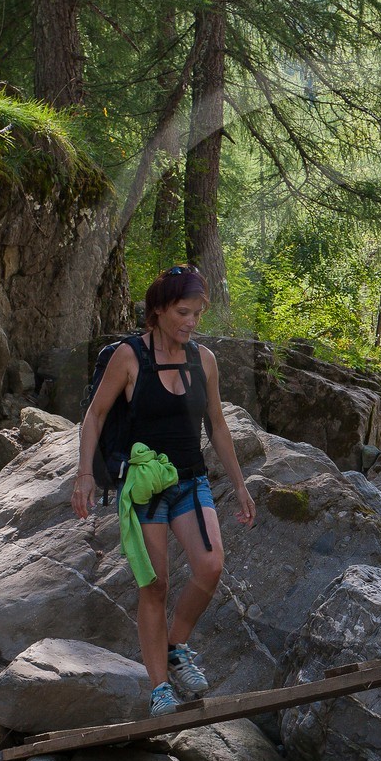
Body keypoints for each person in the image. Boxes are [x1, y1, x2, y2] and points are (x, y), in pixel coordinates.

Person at [72, 265, 256, 715]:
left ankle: (177, 646)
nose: (192, 322)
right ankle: (159, 689)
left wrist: (240, 484)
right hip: (143, 489)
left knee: (210, 565)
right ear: (157, 311)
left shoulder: (203, 360)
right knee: (155, 586)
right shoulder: (130, 357)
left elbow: (216, 424)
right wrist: (84, 473)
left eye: (197, 313)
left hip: (190, 480)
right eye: (183, 312)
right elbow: (95, 416)